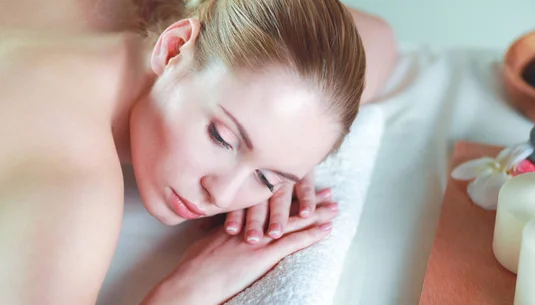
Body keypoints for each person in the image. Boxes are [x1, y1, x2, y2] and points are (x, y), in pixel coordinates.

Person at [0, 0, 397, 304]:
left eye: (267, 179)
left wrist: (287, 151)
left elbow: (380, 37)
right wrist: (190, 288)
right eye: (222, 138)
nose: (222, 195)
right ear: (173, 49)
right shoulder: (74, 187)